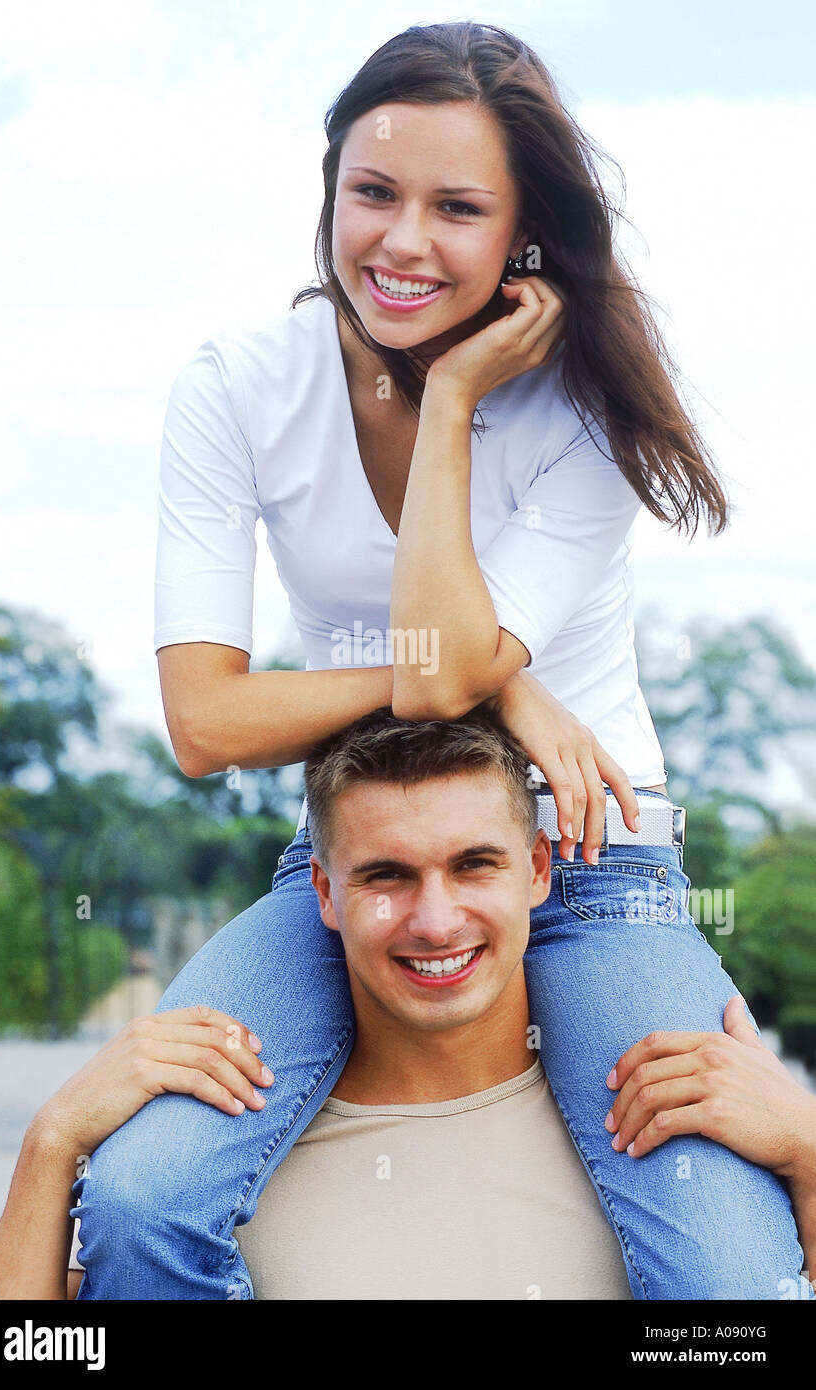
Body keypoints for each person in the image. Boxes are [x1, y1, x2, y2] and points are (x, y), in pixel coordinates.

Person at [70, 21, 807, 1298]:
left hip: (592, 859)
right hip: (361, 860)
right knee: (139, 1199)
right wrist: (504, 689)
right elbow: (203, 722)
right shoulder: (238, 386)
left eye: (456, 208)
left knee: (731, 1282)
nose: (401, 242)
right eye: (373, 192)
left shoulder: (583, 409)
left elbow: (432, 665)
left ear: (523, 236)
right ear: (330, 191)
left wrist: (456, 397)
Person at [0, 709, 816, 1300]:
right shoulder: (208, 1160)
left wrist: (811, 1154)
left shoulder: (670, 1136)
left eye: (474, 864)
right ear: (324, 894)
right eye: (386, 875)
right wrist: (52, 1143)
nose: (435, 918)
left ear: (537, 871)